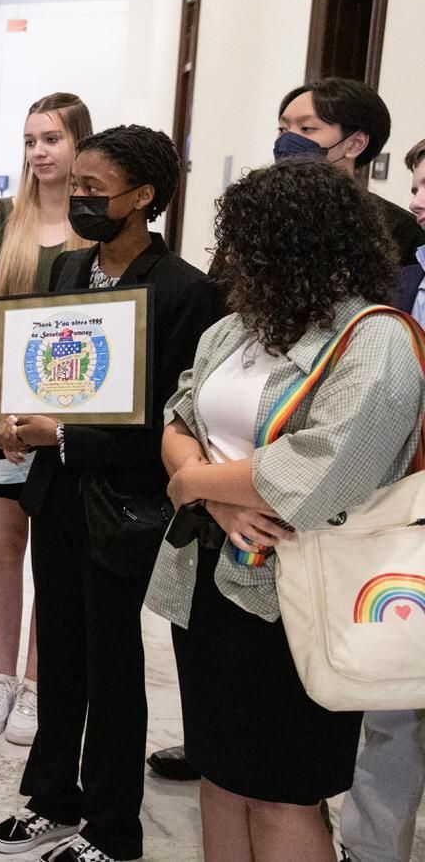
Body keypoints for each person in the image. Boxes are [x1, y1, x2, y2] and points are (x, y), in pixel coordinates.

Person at [148, 159, 425, 862]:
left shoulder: (376, 340)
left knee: (284, 791)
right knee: (219, 773)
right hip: (211, 581)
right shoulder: (237, 328)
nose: (230, 259)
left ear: (297, 245)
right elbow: (177, 416)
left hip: (300, 593)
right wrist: (203, 492)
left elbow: (319, 468)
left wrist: (196, 484)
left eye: (247, 243)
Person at [0, 126, 224, 862]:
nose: (80, 198)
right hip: (56, 495)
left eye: (95, 189)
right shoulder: (64, 271)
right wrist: (20, 425)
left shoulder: (186, 291)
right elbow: (45, 371)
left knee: (112, 665)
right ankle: (52, 797)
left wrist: (70, 437)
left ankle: (114, 828)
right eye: (76, 187)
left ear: (142, 196)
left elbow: (175, 422)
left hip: (125, 505)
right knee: (56, 655)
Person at [0, 92, 94, 745]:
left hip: (70, 410)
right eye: (30, 139)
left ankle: (40, 683)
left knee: (57, 548)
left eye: (51, 138)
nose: (39, 151)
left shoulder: (95, 220)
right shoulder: (0, 217)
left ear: (79, 143)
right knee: (4, 545)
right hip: (0, 407)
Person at [338, 136, 425, 862]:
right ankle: (370, 849)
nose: (418, 201)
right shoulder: (401, 283)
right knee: (394, 698)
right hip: (404, 515)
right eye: (419, 185)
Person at [273, 77, 422, 264]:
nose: (287, 140)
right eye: (283, 129)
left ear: (355, 143)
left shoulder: (397, 229)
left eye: (306, 128)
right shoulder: (257, 212)